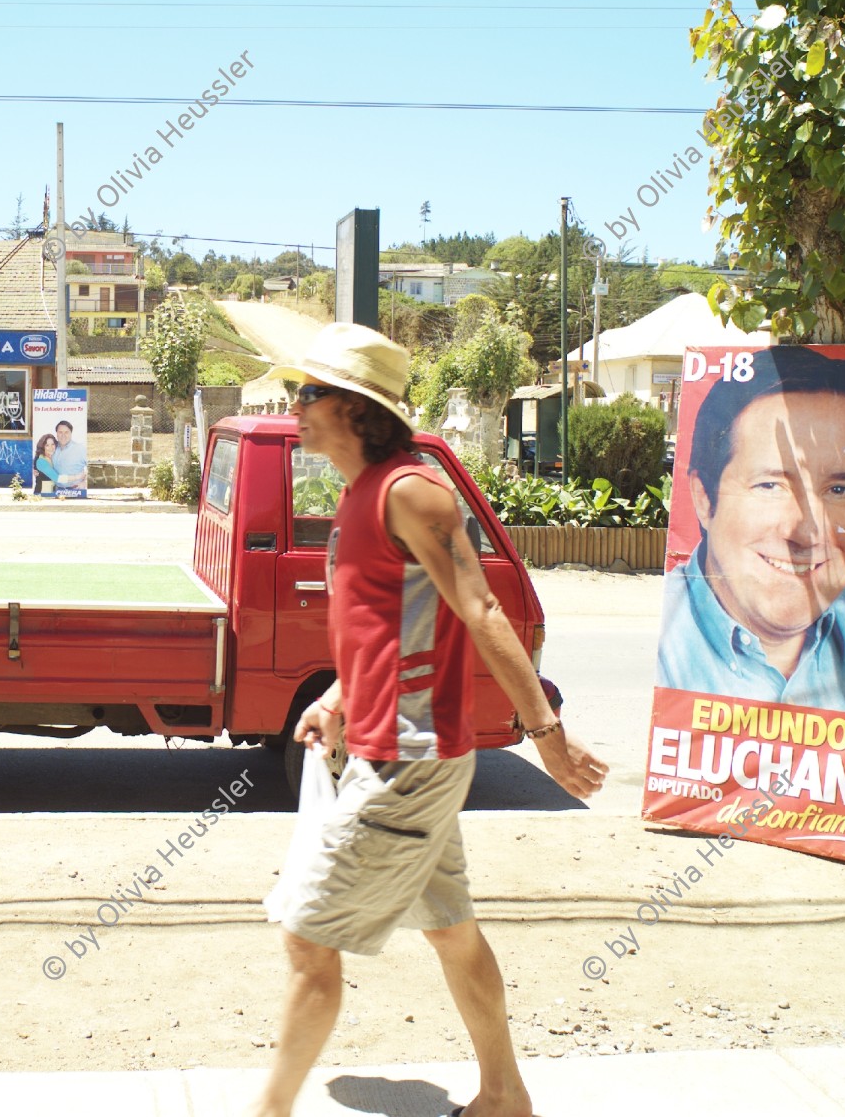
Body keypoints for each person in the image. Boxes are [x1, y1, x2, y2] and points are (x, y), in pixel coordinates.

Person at [250, 324, 606, 1117]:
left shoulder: (412, 491)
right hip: (394, 748)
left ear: (355, 408)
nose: (295, 406)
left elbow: (480, 610)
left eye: (310, 394)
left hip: (411, 761)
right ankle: (503, 1097)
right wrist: (339, 696)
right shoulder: (358, 494)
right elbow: (388, 626)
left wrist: (544, 733)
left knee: (309, 939)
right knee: (451, 931)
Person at [656, 345, 845, 720]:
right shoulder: (670, 644)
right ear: (703, 499)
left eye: (839, 490)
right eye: (770, 486)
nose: (802, 530)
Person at [50, 419, 87, 491]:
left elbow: (91, 466)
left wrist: (85, 482)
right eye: (60, 432)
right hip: (56, 490)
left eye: (66, 432)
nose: (63, 435)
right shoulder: (51, 448)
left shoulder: (80, 449)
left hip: (76, 490)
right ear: (56, 433)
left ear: (71, 433)